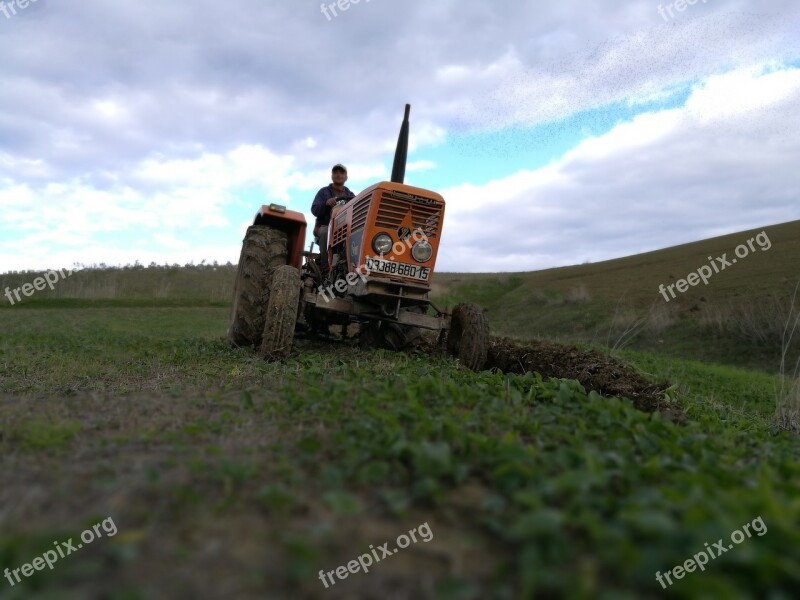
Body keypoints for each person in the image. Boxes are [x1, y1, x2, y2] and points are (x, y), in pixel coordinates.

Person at [311, 164, 355, 271]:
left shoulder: (351, 196)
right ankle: (325, 266)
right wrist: (326, 204)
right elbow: (315, 209)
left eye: (341, 173)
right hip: (327, 227)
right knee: (325, 231)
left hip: (345, 230)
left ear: (346, 177)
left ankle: (353, 266)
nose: (338, 175)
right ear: (332, 176)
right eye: (336, 173)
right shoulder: (324, 192)